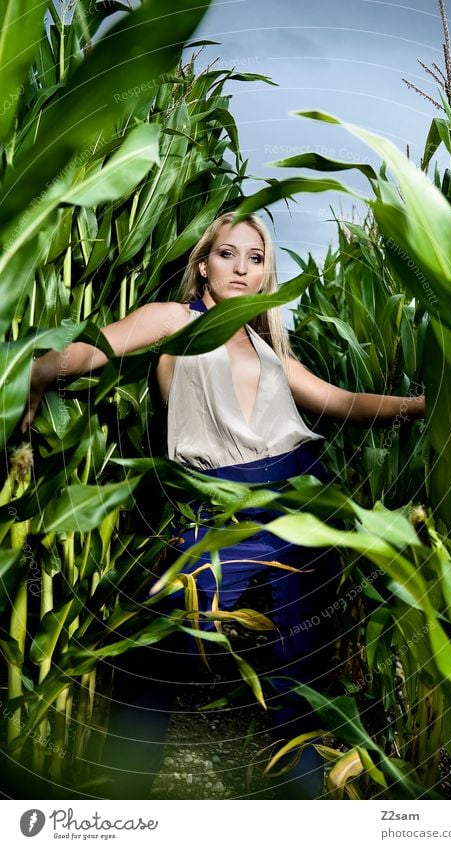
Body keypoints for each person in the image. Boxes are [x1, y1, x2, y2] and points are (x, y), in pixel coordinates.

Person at [22, 211, 425, 799]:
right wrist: (33, 372)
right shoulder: (175, 321)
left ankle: (307, 797)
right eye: (229, 254)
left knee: (299, 661)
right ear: (203, 264)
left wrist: (420, 406)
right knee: (159, 642)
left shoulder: (269, 350)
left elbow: (341, 400)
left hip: (299, 490)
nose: (241, 268)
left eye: (256, 259)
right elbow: (94, 350)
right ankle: (116, 799)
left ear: (266, 276)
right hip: (221, 498)